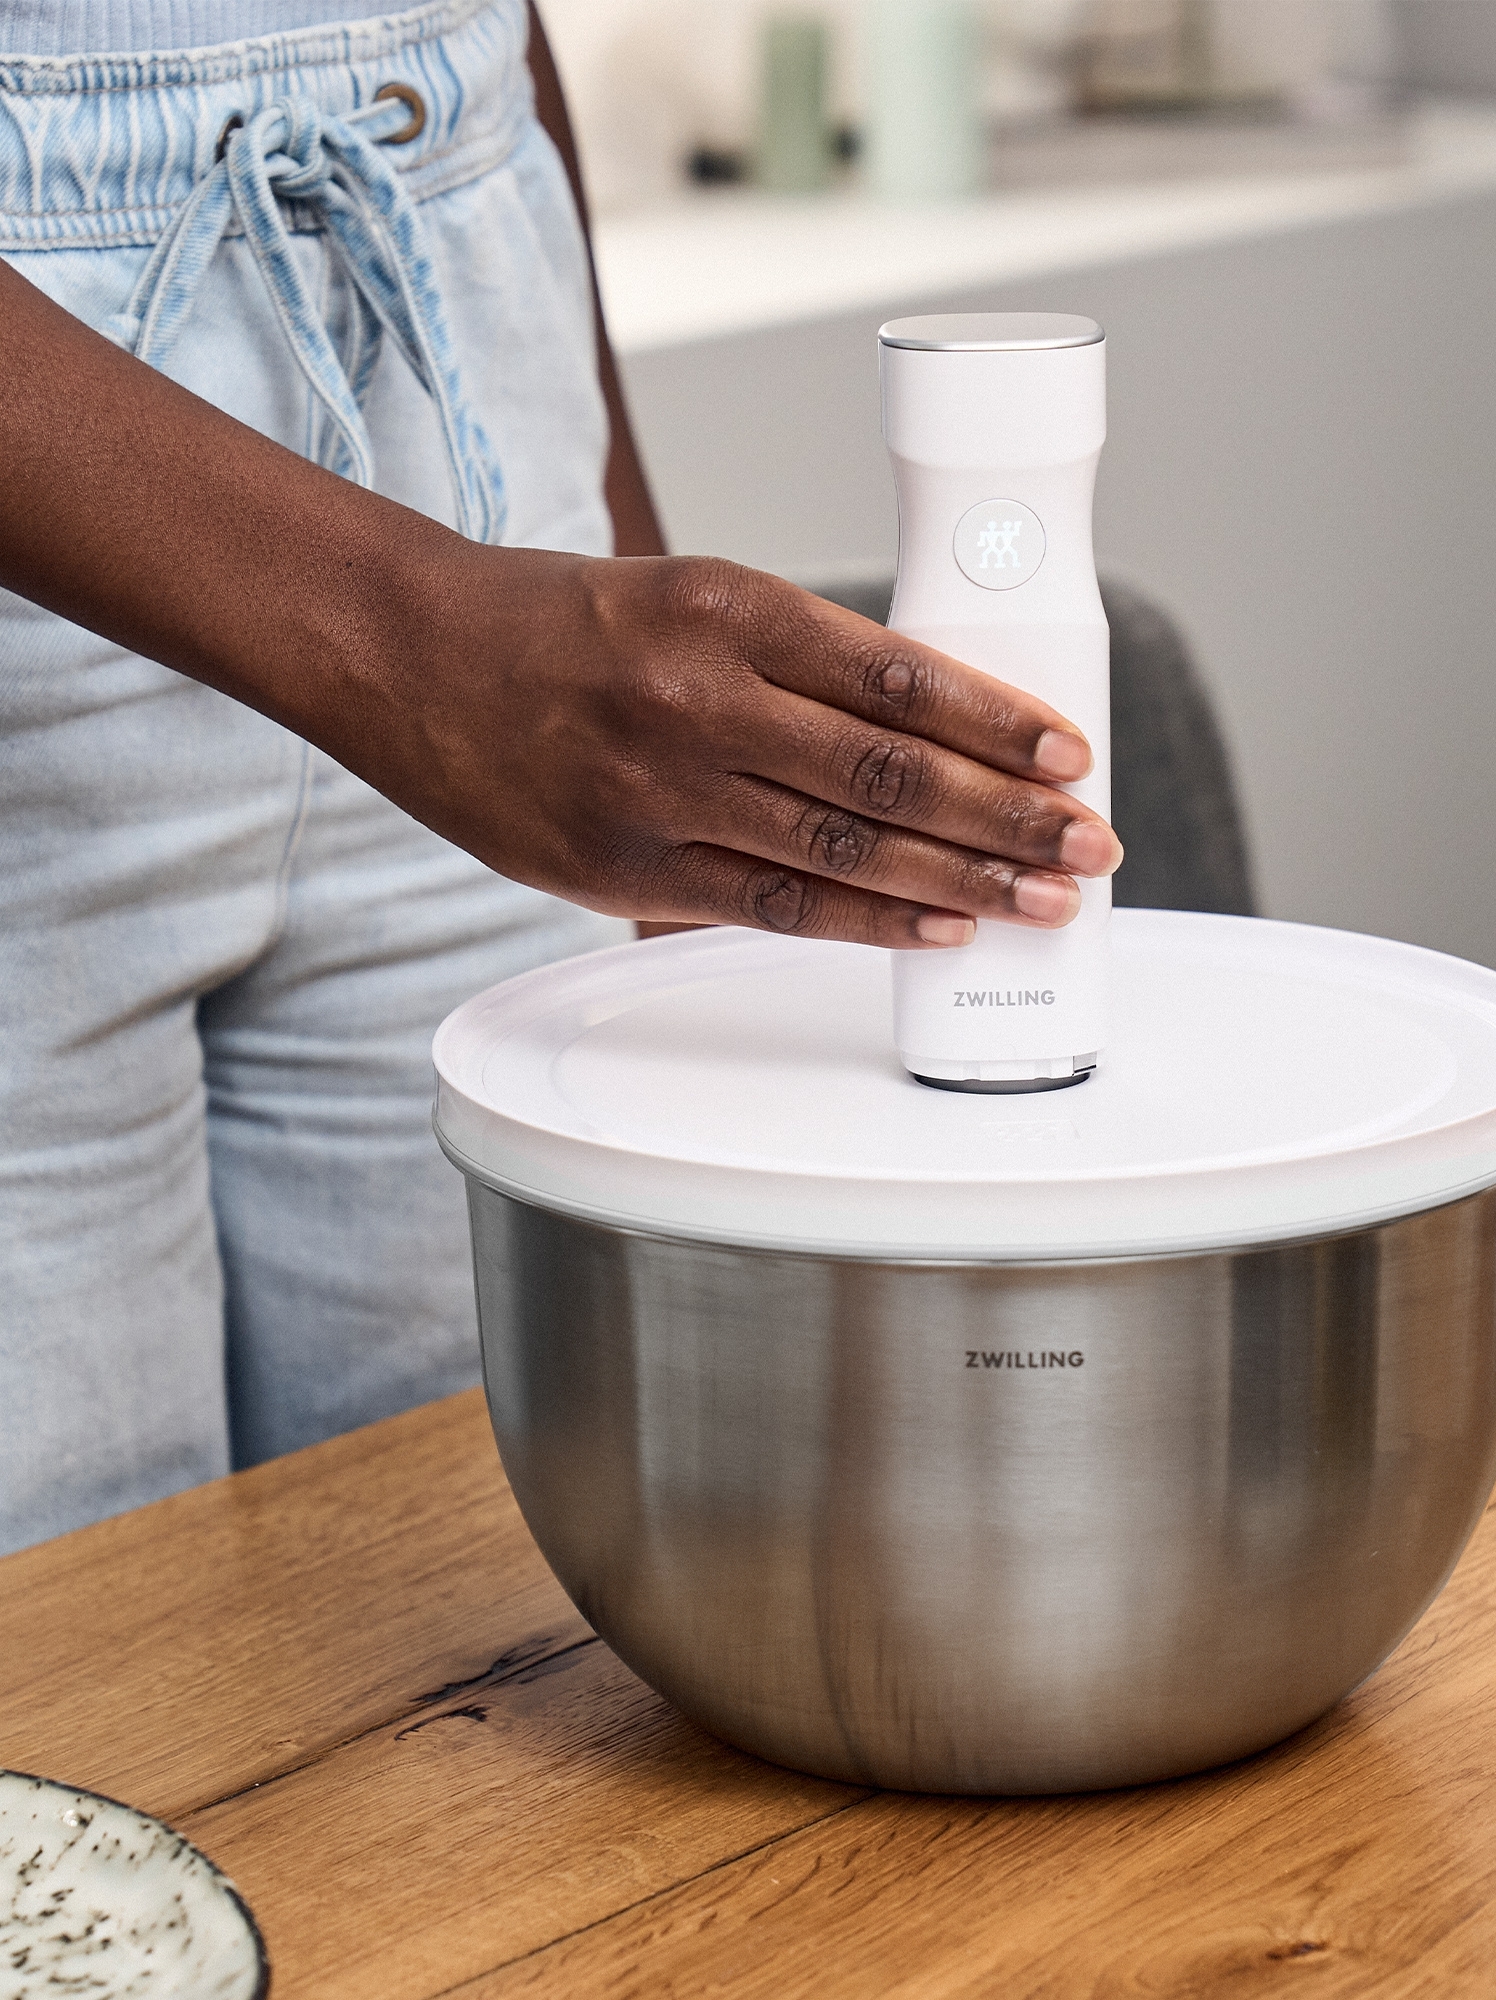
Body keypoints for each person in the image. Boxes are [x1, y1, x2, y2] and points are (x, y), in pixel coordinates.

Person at [0, 0, 1121, 1556]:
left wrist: (619, 598)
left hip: (450, 242)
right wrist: (410, 639)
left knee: (501, 1606)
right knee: (69, 1652)